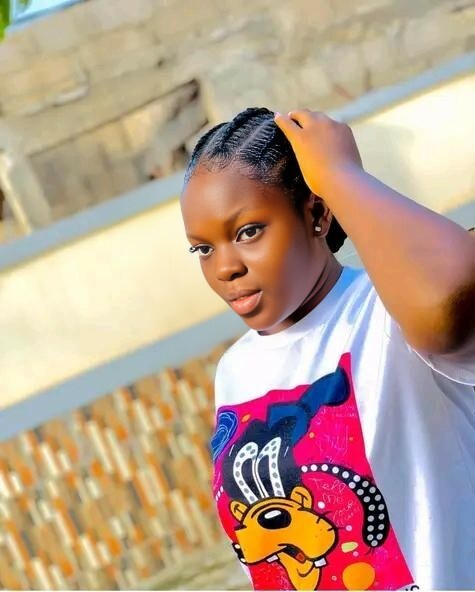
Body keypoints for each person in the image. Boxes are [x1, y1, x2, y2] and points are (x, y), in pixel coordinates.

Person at [180, 107, 475, 591]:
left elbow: (455, 291)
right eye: (203, 248)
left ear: (316, 213)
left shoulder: (388, 311)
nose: (225, 267)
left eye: (248, 232)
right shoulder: (236, 370)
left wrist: (341, 175)